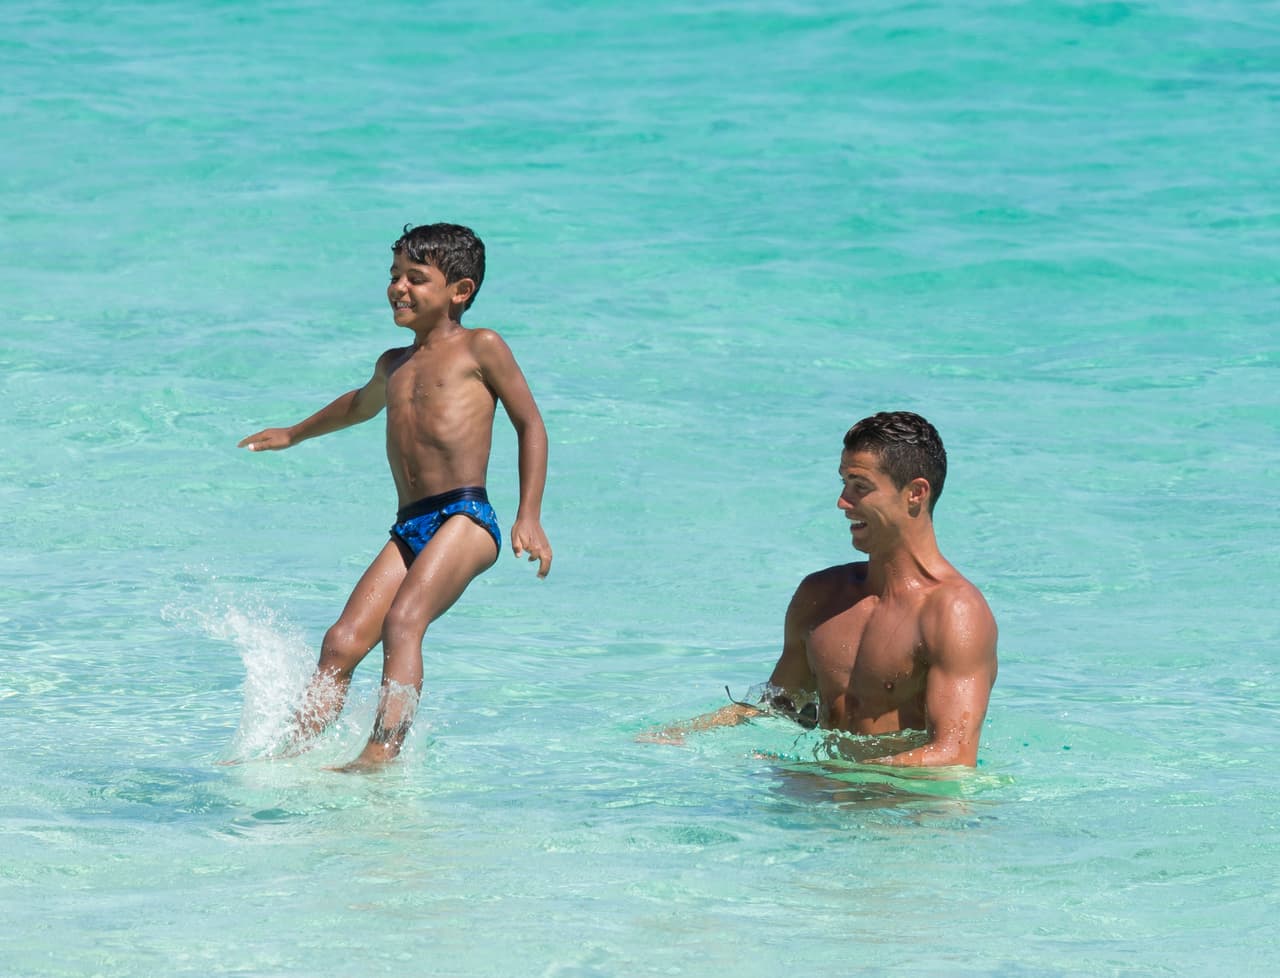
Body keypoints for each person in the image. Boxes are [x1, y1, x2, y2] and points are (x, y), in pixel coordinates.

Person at [238, 222, 552, 771]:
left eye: (416, 278)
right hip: (411, 524)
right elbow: (358, 405)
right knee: (341, 642)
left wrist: (530, 515)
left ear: (461, 290)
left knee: (405, 621)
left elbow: (531, 425)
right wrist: (293, 433)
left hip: (466, 515)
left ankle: (382, 752)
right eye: (394, 277)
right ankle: (292, 750)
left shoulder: (482, 346)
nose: (398, 288)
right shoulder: (394, 364)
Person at [648, 411, 997, 767]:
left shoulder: (952, 612)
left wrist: (833, 775)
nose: (843, 501)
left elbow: (953, 756)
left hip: (897, 814)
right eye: (844, 482)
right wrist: (678, 733)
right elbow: (778, 708)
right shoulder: (821, 596)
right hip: (819, 802)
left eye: (860, 486)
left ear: (915, 494)